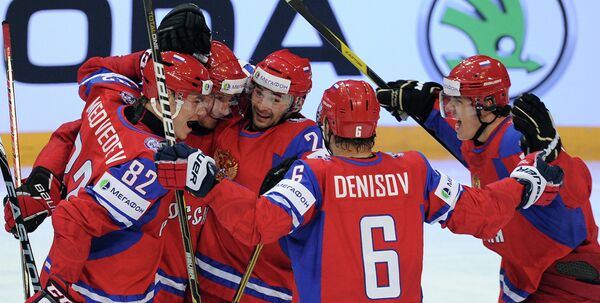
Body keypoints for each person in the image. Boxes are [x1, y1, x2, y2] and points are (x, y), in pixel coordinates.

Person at [155, 79, 564, 302]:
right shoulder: (413, 169)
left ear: (328, 127)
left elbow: (261, 224)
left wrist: (210, 184)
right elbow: (480, 212)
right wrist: (524, 183)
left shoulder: (315, 174)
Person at [376, 55, 600, 302]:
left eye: (458, 102)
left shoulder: (514, 144)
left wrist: (555, 156)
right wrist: (423, 106)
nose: (449, 110)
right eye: (448, 101)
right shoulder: (483, 139)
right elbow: (466, 147)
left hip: (567, 278)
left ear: (486, 105)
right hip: (527, 275)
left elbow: (578, 192)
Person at [23, 49, 216, 303]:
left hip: (67, 276)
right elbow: (73, 218)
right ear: (168, 97)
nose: (202, 112)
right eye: (195, 101)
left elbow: (91, 70)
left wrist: (144, 60)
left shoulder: (109, 97)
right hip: (99, 294)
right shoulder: (149, 165)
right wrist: (58, 287)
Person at [192, 49, 324, 303]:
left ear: (296, 103)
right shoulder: (234, 113)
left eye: (276, 99)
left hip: (266, 287)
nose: (263, 105)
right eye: (260, 93)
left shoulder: (304, 138)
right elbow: (225, 65)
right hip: (206, 274)